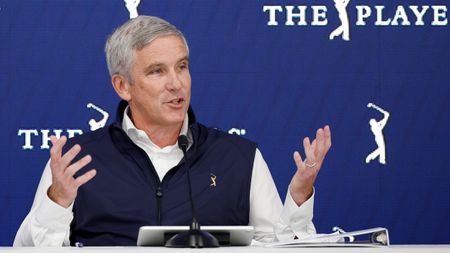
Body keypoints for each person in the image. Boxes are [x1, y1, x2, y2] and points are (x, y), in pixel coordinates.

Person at [14, 16, 332, 246]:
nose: (176, 83)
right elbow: (32, 250)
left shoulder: (239, 157)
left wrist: (299, 197)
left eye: (182, 66)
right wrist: (57, 200)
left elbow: (279, 248)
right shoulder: (77, 161)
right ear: (122, 85)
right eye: (157, 71)